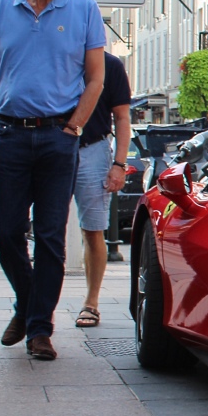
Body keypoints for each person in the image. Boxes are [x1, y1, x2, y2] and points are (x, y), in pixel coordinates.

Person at [0, 0, 106, 361]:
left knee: (50, 237)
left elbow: (96, 79)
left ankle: (39, 329)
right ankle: (29, 303)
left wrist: (74, 128)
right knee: (9, 231)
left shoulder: (84, 8)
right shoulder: (1, 7)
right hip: (11, 135)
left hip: (58, 137)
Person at [72, 51, 132, 328]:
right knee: (46, 229)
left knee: (93, 229)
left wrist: (119, 164)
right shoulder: (59, 53)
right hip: (54, 144)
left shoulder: (110, 64)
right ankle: (38, 306)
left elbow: (121, 117)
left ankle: (91, 302)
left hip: (94, 147)